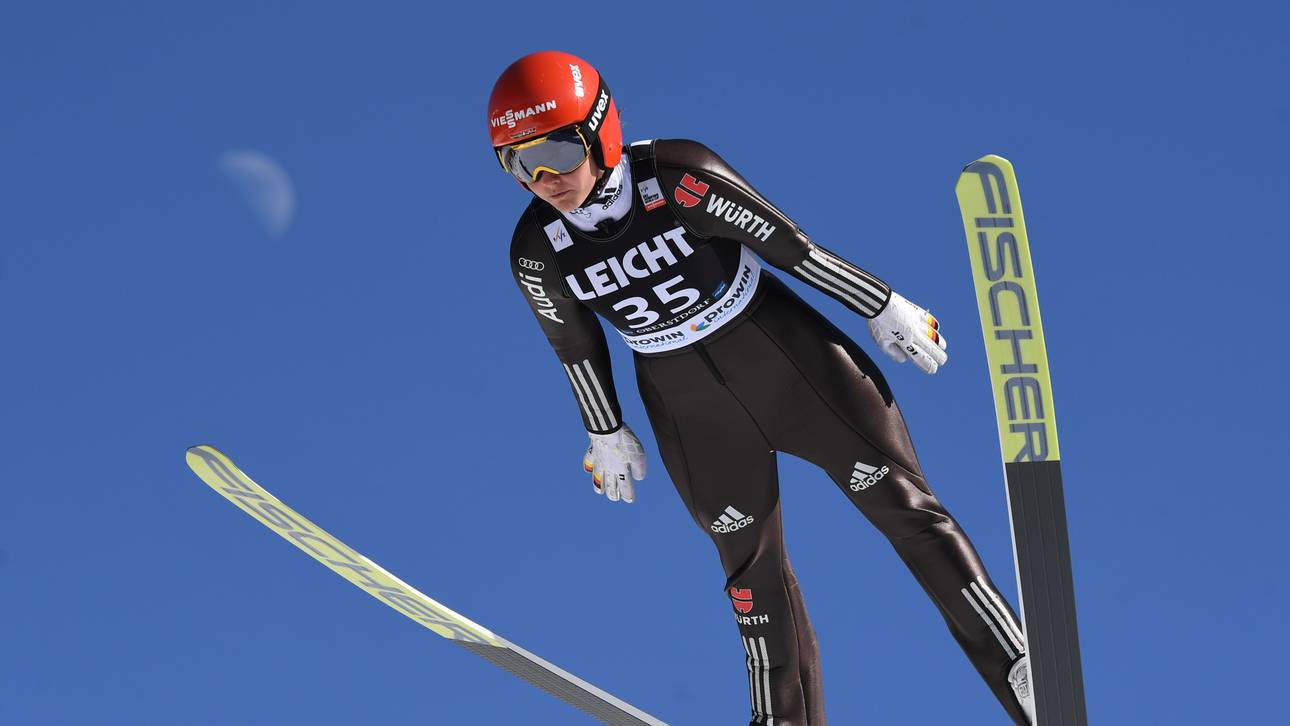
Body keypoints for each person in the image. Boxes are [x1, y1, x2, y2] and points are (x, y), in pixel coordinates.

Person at [491, 50, 1035, 726]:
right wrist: (604, 428)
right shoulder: (536, 249)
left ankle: (1018, 666)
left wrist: (879, 303)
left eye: (556, 152)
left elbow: (793, 248)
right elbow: (573, 344)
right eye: (518, 163)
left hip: (791, 365)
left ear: (600, 131)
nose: (543, 178)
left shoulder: (680, 177)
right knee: (752, 577)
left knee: (904, 507)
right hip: (690, 409)